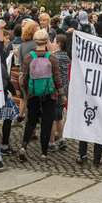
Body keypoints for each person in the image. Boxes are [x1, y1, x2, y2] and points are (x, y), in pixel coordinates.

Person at [19, 30, 66, 161]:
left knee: (31, 121)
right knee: (46, 122)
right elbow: (57, 79)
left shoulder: (29, 57)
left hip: (33, 93)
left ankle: (23, 146)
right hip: (49, 94)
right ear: (47, 41)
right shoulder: (52, 58)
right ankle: (44, 153)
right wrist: (62, 94)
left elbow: (24, 78)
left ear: (35, 41)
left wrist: (26, 93)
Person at [48, 35, 70, 152]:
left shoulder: (54, 57)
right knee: (59, 116)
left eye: (54, 41)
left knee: (52, 117)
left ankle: (51, 143)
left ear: (59, 44)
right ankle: (62, 139)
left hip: (56, 89)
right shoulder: (67, 56)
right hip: (66, 88)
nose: (53, 42)